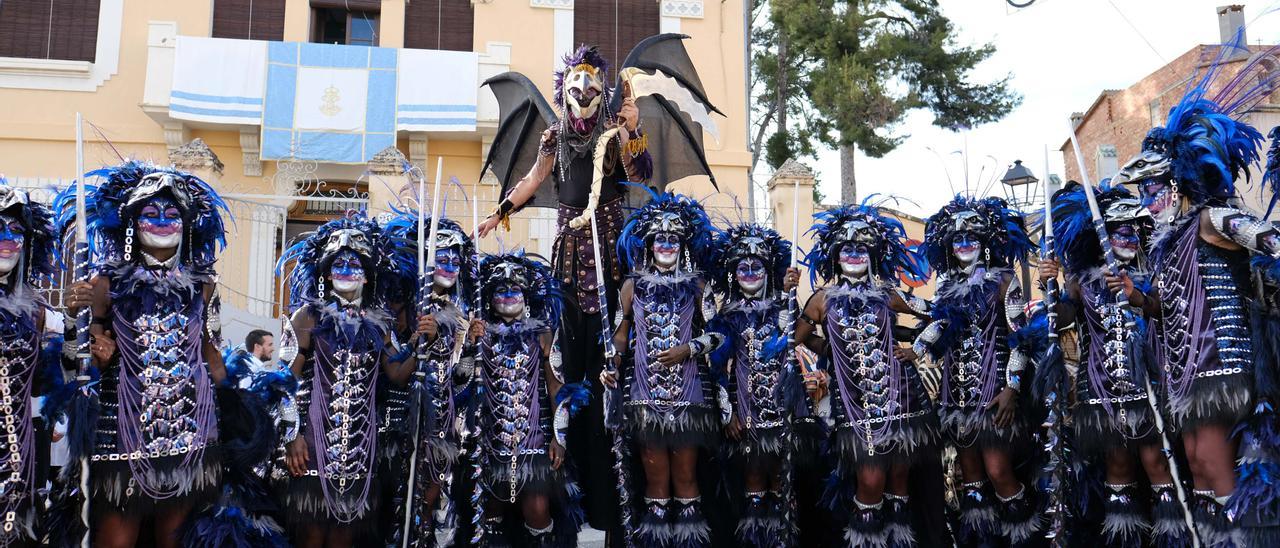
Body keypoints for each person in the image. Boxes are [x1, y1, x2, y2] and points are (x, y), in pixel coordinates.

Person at [1104, 47, 1280, 545]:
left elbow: (1270, 241)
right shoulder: (1168, 241)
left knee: (1221, 476)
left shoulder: (1212, 218)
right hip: (1185, 375)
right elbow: (1169, 306)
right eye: (1143, 190)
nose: (1148, 197)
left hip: (1224, 366)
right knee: (1199, 471)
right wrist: (1139, 298)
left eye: (1154, 185)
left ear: (1180, 179)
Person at [476, 45, 649, 543]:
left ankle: (613, 495)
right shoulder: (553, 137)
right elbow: (534, 179)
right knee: (564, 361)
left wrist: (633, 130)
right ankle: (563, 487)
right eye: (576, 86)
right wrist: (500, 213)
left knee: (608, 363)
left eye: (592, 86)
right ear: (564, 91)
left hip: (609, 253)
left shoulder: (615, 132)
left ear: (603, 90)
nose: (584, 93)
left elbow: (641, 175)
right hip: (569, 257)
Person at [57, 162, 231, 548]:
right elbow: (75, 366)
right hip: (122, 434)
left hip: (191, 436)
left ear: (187, 224)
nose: (162, 221)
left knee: (175, 541)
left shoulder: (204, 286)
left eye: (172, 214)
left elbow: (213, 356)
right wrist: (76, 324)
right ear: (133, 224)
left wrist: (241, 414)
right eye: (151, 213)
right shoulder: (105, 282)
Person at [1039, 182, 1188, 545]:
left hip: (1149, 387)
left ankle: (1172, 540)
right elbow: (1060, 319)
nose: (1128, 238)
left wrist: (1135, 296)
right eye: (1119, 232)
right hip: (1101, 391)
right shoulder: (1081, 281)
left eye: (1132, 231)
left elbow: (1164, 311)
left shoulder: (1150, 271)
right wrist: (1049, 285)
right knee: (1118, 468)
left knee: (1157, 465)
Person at [271, 212, 428, 548]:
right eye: (338, 264)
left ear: (368, 276)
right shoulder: (306, 316)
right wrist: (292, 437)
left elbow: (397, 375)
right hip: (312, 447)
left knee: (343, 538)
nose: (346, 271)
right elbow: (284, 382)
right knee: (311, 537)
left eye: (354, 264)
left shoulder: (380, 324)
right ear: (327, 273)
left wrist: (420, 345)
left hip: (360, 450)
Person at [795, 203, 938, 548]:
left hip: (901, 398)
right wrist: (830, 350)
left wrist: (916, 348)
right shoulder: (821, 299)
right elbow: (794, 337)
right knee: (871, 482)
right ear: (835, 255)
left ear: (873, 254)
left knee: (899, 482)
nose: (854, 254)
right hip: (855, 406)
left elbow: (939, 316)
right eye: (847, 248)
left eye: (862, 247)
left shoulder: (888, 294)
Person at [900, 195, 1039, 546]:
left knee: (999, 471)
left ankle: (1025, 540)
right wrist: (916, 349)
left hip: (994, 395)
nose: (963, 245)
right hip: (957, 399)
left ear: (985, 243)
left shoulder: (1005, 281)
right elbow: (940, 322)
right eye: (957, 240)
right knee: (972, 482)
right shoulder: (946, 285)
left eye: (971, 238)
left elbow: (1021, 338)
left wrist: (1012, 388)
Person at [600, 190, 725, 547]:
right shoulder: (631, 286)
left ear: (682, 245)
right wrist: (611, 364)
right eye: (660, 239)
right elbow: (619, 337)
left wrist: (689, 349)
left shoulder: (699, 285)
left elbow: (720, 336)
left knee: (686, 479)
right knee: (656, 481)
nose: (666, 245)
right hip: (644, 398)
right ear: (649, 244)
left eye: (673, 239)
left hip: (690, 397)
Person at [472, 251, 585, 547]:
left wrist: (559, 437)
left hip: (534, 441)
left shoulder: (543, 334)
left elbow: (557, 388)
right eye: (501, 289)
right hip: (491, 443)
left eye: (515, 289)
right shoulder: (480, 335)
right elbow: (462, 383)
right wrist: (469, 345)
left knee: (537, 509)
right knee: (491, 513)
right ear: (489, 298)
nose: (509, 295)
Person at [381, 210, 479, 547]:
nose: (450, 266)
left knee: (430, 509)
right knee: (397, 511)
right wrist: (419, 342)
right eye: (442, 259)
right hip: (401, 426)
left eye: (455, 261)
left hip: (441, 430)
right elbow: (394, 373)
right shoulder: (400, 308)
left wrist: (471, 347)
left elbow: (458, 384)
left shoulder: (459, 316)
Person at [705, 223, 801, 547]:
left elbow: (796, 333)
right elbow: (717, 367)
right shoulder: (728, 316)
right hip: (746, 418)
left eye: (756, 266)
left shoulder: (783, 307)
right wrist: (727, 413)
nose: (749, 273)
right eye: (742, 268)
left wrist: (789, 292)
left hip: (783, 413)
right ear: (733, 274)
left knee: (783, 485)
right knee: (754, 483)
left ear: (768, 270)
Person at [0, 180, 60, 546]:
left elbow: (42, 381)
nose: (8, 238)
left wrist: (73, 338)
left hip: (18, 452)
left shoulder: (35, 311)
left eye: (16, 230)